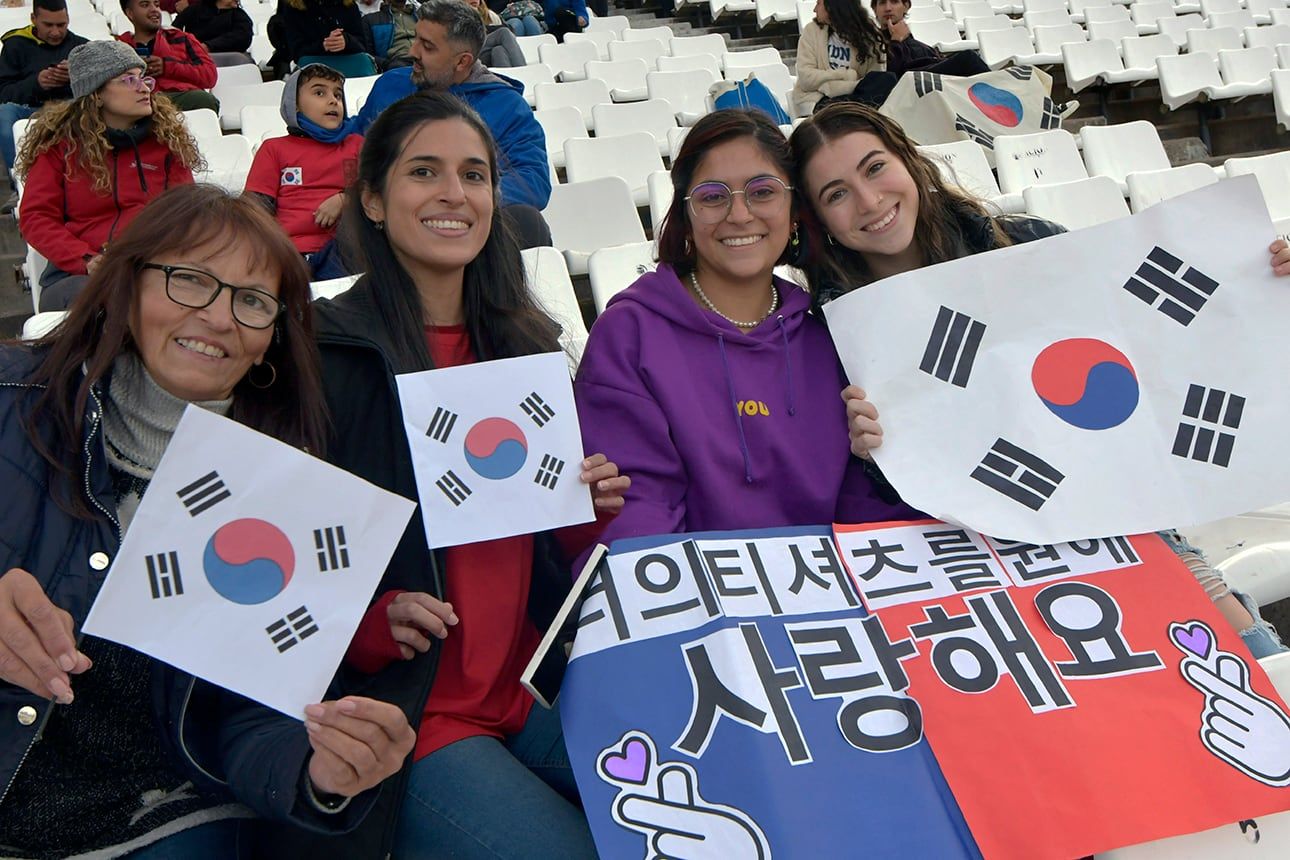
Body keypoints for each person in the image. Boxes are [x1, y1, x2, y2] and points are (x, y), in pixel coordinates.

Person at [259, 91, 626, 859]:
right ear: (373, 198)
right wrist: (369, 621)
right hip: (411, 713)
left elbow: (559, 544)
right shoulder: (320, 355)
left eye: (475, 175)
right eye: (425, 172)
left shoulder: (524, 344)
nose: (455, 195)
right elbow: (268, 556)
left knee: (699, 804)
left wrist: (584, 498)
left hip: (526, 686)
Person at [0, 183, 416, 858]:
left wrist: (320, 772)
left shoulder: (288, 495)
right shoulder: (10, 397)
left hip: (158, 813)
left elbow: (251, 720)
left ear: (270, 341)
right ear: (128, 285)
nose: (220, 317)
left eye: (253, 302)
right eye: (191, 280)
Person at [789, 102, 1290, 658]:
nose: (869, 200)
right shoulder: (833, 337)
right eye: (836, 194)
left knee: (1251, 661)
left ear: (908, 162)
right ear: (817, 220)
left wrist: (1257, 281)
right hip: (982, 561)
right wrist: (867, 452)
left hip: (1124, 516)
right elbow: (895, 501)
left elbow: (1160, 347)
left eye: (875, 168)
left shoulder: (1031, 245)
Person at [574, 108, 918, 555]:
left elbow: (861, 504)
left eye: (763, 192)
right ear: (686, 214)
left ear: (794, 213)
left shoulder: (831, 335)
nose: (740, 215)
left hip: (831, 594)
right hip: (701, 601)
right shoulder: (630, 333)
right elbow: (639, 512)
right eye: (713, 196)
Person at [16, 40, 201, 311]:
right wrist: (87, 259)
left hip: (153, 268)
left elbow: (186, 213)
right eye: (127, 80)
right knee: (113, 299)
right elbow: (36, 218)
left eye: (143, 78)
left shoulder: (165, 142)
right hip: (78, 274)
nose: (143, 88)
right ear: (97, 94)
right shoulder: (59, 148)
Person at [356, 0, 552, 234]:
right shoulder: (390, 85)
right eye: (416, 38)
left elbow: (532, 182)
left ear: (462, 61)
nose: (412, 52)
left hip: (464, 227)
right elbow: (352, 144)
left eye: (427, 46)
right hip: (387, 225)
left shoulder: (507, 106)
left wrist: (452, 197)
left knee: (528, 222)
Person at [245, 63, 363, 277]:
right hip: (288, 251)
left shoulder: (356, 145)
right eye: (320, 92)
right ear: (295, 105)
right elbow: (256, 207)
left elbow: (381, 190)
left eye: (338, 95)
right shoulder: (274, 149)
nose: (332, 100)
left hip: (345, 250)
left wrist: (345, 199)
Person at [0, 0, 87, 171]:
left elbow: (99, 91)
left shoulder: (82, 47)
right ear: (33, 19)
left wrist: (76, 76)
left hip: (69, 108)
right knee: (4, 113)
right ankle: (18, 179)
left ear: (68, 19)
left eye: (61, 25)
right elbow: (3, 93)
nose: (55, 32)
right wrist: (37, 83)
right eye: (48, 25)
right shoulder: (15, 44)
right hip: (27, 108)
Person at [118, 0, 219, 112]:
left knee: (204, 99)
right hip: (139, 100)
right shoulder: (121, 48)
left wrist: (167, 66)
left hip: (178, 98)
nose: (154, 10)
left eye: (156, 5)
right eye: (145, 5)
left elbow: (210, 76)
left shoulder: (183, 38)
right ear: (130, 13)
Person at [791, 0, 887, 114]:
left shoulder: (869, 36)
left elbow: (872, 81)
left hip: (857, 98)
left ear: (832, 5)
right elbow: (806, 80)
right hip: (819, 100)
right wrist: (846, 75)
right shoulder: (811, 31)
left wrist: (829, 86)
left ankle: (852, 110)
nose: (814, 9)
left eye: (818, 3)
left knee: (887, 79)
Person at [870, 0, 988, 79]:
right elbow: (889, 74)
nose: (888, 8)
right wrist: (896, 40)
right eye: (882, 3)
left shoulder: (917, 44)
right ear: (875, 9)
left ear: (906, 6)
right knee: (968, 58)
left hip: (935, 81)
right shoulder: (872, 41)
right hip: (909, 82)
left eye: (894, 2)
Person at [274, 0, 370, 69]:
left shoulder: (348, 5)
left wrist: (347, 41)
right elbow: (296, 51)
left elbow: (362, 45)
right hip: (313, 72)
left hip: (351, 68)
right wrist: (324, 45)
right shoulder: (293, 9)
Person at [173, 0, 255, 59]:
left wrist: (208, 46)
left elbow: (243, 37)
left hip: (229, 60)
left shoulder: (239, 15)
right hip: (196, 59)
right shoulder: (194, 11)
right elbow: (173, 32)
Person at [468, 0, 525, 68]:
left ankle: (508, 77)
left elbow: (510, 31)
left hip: (485, 54)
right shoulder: (456, 13)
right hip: (467, 53)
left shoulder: (488, 14)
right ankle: (523, 70)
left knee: (498, 50)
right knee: (503, 32)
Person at [362, 0, 416, 69]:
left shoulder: (420, 15)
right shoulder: (370, 20)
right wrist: (386, 64)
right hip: (398, 63)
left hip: (424, 58)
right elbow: (367, 55)